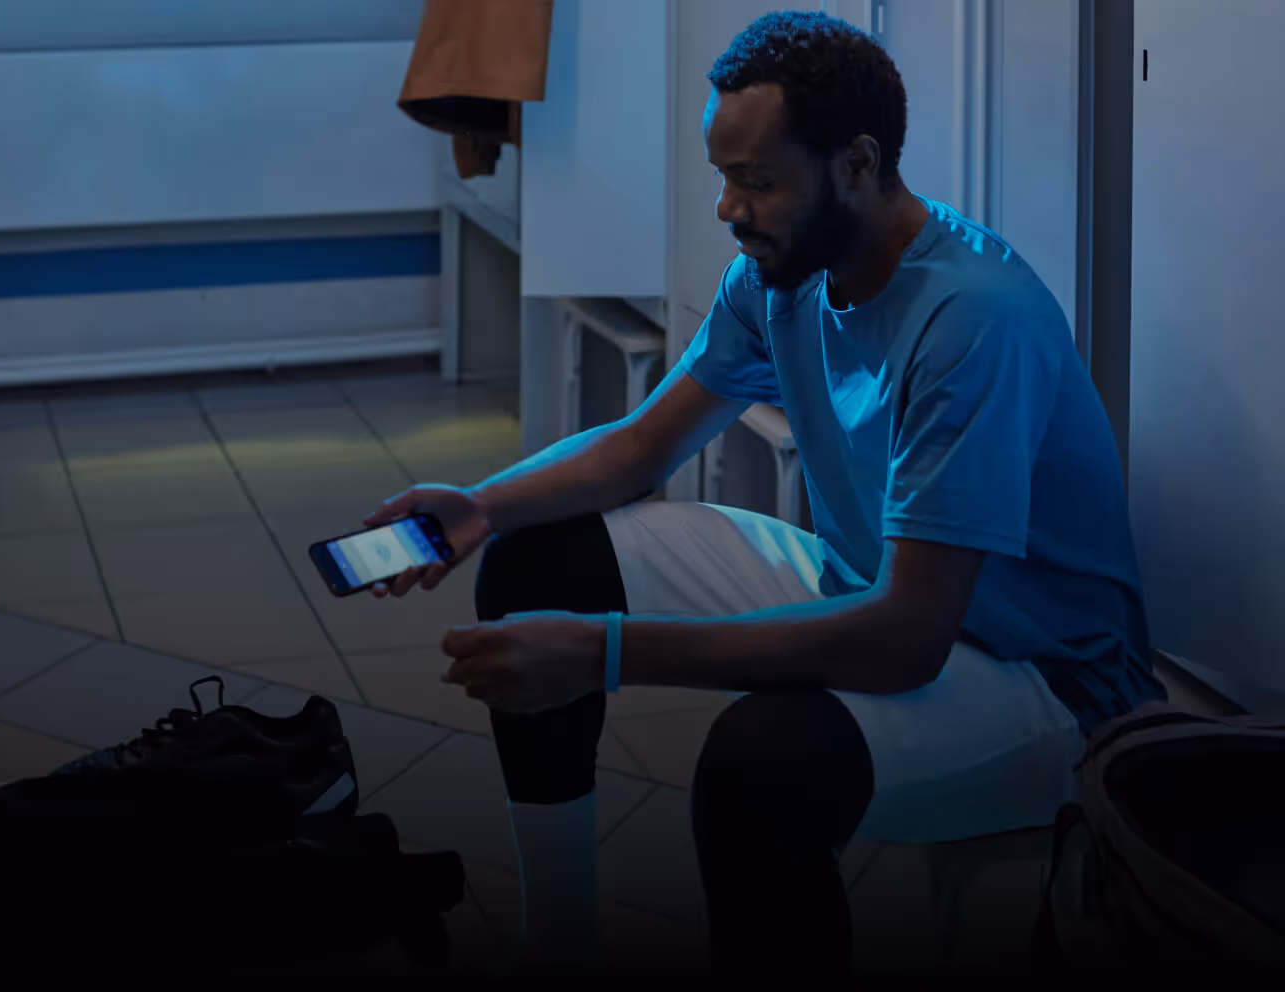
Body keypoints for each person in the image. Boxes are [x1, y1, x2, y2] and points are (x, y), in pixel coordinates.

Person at [361, 10, 1162, 980]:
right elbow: (642, 446)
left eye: (756, 179)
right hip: (862, 581)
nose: (727, 209)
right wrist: (480, 507)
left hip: (1037, 676)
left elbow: (907, 635)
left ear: (857, 164)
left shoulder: (971, 321)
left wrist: (605, 653)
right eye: (724, 174)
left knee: (758, 762)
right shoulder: (782, 272)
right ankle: (558, 942)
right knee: (540, 559)